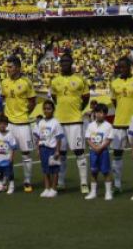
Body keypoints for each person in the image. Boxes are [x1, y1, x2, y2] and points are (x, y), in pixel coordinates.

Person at [50, 53, 91, 192]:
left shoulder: (80, 80)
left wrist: (77, 109)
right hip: (60, 121)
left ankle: (84, 183)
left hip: (75, 121)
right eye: (63, 61)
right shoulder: (55, 81)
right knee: (61, 154)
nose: (65, 63)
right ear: (60, 64)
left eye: (67, 61)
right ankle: (61, 181)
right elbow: (55, 98)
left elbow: (86, 98)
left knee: (79, 152)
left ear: (72, 63)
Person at [109, 56, 133, 195]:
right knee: (117, 154)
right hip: (119, 123)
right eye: (119, 67)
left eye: (124, 66)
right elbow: (114, 101)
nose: (121, 69)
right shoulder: (114, 83)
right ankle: (118, 185)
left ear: (130, 67)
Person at [1, 56, 38, 193]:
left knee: (26, 153)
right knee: (5, 152)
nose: (8, 69)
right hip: (9, 123)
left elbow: (33, 101)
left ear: (17, 67)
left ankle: (27, 181)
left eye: (10, 67)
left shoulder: (27, 82)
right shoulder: (4, 82)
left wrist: (24, 113)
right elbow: (5, 99)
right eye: (7, 67)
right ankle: (5, 180)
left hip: (23, 123)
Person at [33, 99, 65, 198]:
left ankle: (54, 189)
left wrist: (57, 151)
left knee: (54, 170)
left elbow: (58, 138)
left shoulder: (56, 123)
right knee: (45, 170)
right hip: (43, 148)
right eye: (45, 109)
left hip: (52, 149)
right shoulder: (40, 122)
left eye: (49, 109)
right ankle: (47, 188)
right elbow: (38, 137)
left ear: (53, 110)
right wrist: (38, 149)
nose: (47, 111)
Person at [84, 103, 114, 201]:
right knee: (93, 172)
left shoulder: (108, 126)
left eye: (102, 113)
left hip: (103, 152)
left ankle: (108, 192)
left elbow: (109, 139)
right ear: (95, 113)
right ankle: (93, 192)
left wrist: (100, 147)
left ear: (105, 114)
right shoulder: (90, 125)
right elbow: (88, 138)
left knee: (106, 172)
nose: (99, 115)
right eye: (98, 112)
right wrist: (94, 147)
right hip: (93, 152)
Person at [0, 115, 18, 195]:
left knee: (9, 173)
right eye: (0, 123)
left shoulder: (10, 135)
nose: (2, 125)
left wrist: (12, 157)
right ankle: (0, 185)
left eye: (4, 124)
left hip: (7, 158)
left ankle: (11, 186)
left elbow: (13, 147)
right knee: (0, 173)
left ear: (7, 124)